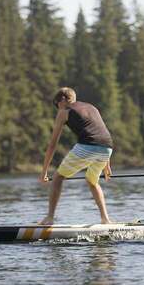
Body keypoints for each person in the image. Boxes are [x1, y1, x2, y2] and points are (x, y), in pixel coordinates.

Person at [38, 87, 113, 225]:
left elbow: (52, 144)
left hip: (87, 146)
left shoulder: (64, 112)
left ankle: (49, 218)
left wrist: (44, 172)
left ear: (62, 100)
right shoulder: (92, 108)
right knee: (92, 181)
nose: (57, 108)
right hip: (107, 148)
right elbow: (101, 132)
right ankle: (105, 219)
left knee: (57, 178)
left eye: (56, 105)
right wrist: (107, 165)